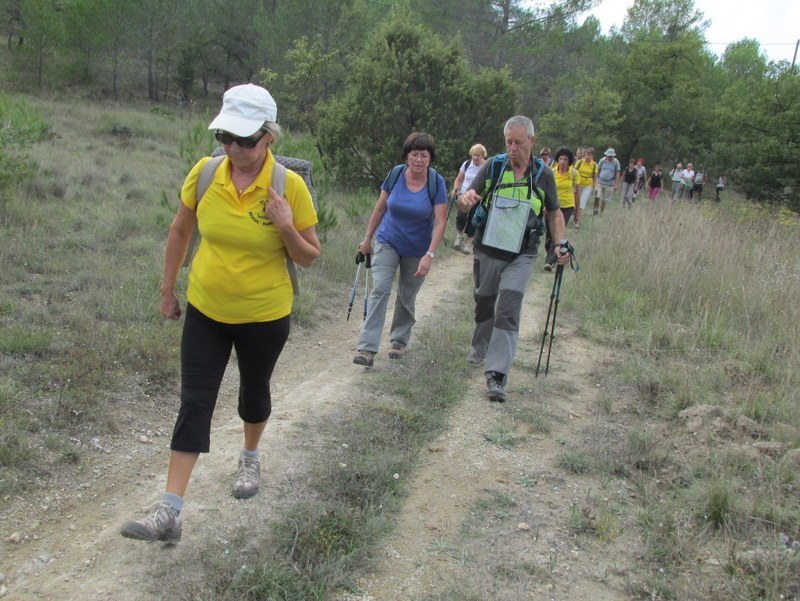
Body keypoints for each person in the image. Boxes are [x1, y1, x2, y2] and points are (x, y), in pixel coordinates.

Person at [120, 84, 321, 543]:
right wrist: (168, 290)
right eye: (227, 136)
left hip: (264, 315)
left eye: (245, 140)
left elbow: (310, 255)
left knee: (253, 392)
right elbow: (178, 231)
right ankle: (169, 512)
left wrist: (286, 225)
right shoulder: (208, 173)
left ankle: (249, 457)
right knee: (194, 402)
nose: (234, 148)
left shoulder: (288, 187)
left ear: (269, 137)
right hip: (206, 309)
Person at [457, 116, 568, 403]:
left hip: (522, 253)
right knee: (484, 301)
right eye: (508, 142)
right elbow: (467, 197)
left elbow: (554, 213)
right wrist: (465, 200)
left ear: (532, 141)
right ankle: (480, 344)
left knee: (507, 308)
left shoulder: (544, 175)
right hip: (487, 249)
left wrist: (560, 244)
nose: (512, 148)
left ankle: (496, 375)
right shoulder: (494, 165)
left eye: (518, 142)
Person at [352, 132, 447, 367]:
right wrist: (367, 239)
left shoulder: (437, 183)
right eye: (414, 154)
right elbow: (380, 208)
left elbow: (441, 222)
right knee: (380, 289)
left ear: (430, 159)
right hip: (388, 241)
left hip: (418, 248)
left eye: (424, 155)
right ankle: (367, 348)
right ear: (407, 156)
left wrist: (430, 255)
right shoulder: (395, 174)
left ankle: (399, 342)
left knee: (406, 296)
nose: (418, 160)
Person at [544, 147, 578, 271]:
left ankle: (550, 262)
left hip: (567, 207)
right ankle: (553, 254)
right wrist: (544, 205)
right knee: (548, 236)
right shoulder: (551, 172)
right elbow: (545, 191)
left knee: (557, 233)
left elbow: (576, 192)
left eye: (566, 159)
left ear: (569, 161)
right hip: (551, 206)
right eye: (561, 158)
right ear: (557, 159)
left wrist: (577, 211)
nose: (563, 161)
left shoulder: (574, 174)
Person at [451, 144, 487, 254]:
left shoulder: (486, 166)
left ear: (482, 156)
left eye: (478, 155)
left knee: (473, 220)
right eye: (474, 155)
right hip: (464, 195)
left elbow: (488, 183)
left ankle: (469, 242)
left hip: (477, 198)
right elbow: (458, 179)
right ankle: (460, 235)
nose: (475, 158)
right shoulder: (467, 164)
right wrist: (456, 189)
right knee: (460, 218)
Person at [573, 147, 597, 228]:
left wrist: (594, 186)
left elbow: (595, 176)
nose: (587, 157)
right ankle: (575, 216)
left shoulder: (594, 165)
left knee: (582, 203)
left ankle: (578, 221)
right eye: (587, 154)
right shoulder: (579, 162)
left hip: (588, 185)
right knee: (575, 201)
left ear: (592, 156)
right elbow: (574, 172)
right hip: (578, 183)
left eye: (589, 155)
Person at [596, 148, 621, 214]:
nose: (610, 157)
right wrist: (596, 180)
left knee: (605, 200)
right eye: (609, 156)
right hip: (600, 182)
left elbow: (617, 173)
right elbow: (598, 169)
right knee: (597, 197)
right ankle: (596, 211)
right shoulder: (602, 160)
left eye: (611, 156)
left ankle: (601, 212)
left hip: (609, 184)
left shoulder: (616, 162)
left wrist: (616, 184)